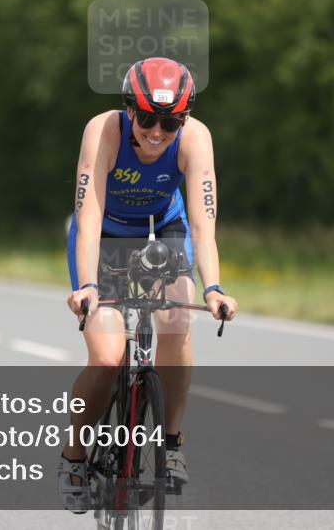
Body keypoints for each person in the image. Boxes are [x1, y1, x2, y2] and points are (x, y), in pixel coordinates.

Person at [58, 57, 239, 512]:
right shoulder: (103, 131)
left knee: (179, 314)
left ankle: (172, 441)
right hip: (104, 237)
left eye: (169, 122)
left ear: (184, 119)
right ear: (128, 110)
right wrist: (85, 286)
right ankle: (76, 456)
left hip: (164, 231)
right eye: (146, 118)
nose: (156, 132)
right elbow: (89, 214)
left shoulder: (195, 139)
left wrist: (214, 287)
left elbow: (203, 227)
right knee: (106, 355)